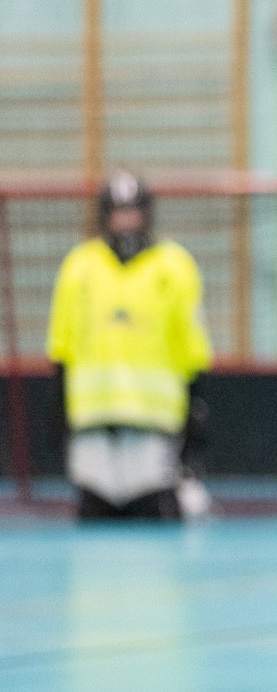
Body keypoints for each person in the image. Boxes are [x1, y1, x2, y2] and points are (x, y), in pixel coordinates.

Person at [45, 172, 213, 522]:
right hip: (92, 429)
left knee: (159, 525)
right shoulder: (79, 267)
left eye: (133, 212)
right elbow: (62, 346)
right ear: (105, 217)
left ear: (147, 214)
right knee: (94, 530)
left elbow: (192, 346)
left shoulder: (175, 267)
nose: (126, 222)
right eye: (118, 213)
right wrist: (60, 412)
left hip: (155, 427)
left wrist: (195, 412)